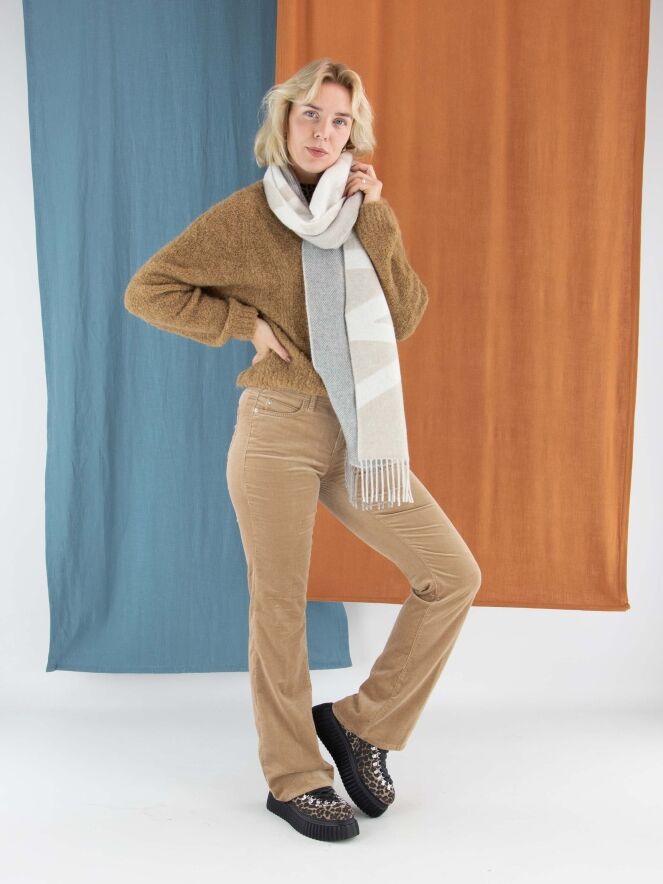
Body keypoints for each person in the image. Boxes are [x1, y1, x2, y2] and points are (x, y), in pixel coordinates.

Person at [124, 57, 482, 843]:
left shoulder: (362, 215)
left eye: (339, 119)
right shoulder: (245, 217)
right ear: (284, 121)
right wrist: (242, 326)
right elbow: (148, 289)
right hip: (277, 427)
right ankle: (293, 777)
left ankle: (359, 725)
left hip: (360, 432)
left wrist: (375, 217)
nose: (323, 131)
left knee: (452, 574)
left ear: (354, 133)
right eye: (311, 114)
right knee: (280, 605)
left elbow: (405, 315)